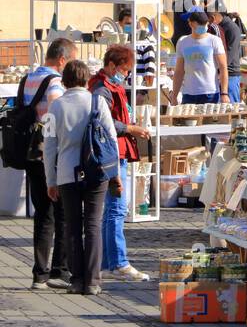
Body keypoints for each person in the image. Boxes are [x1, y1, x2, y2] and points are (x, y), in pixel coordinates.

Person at [43, 59, 121, 296]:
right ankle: (93, 281)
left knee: (72, 227)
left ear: (64, 81)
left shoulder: (54, 107)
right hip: (97, 171)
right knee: (94, 225)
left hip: (67, 173)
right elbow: (111, 139)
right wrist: (114, 173)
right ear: (86, 79)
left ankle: (77, 280)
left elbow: (48, 147)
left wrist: (51, 180)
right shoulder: (97, 101)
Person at [90, 46, 150, 283]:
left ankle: (107, 263)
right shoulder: (101, 88)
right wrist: (131, 128)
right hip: (111, 153)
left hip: (115, 152)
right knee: (116, 208)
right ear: (113, 65)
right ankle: (119, 263)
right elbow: (103, 122)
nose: (125, 75)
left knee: (112, 210)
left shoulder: (109, 86)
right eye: (124, 70)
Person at [20, 38, 75, 289]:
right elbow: (55, 116)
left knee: (42, 213)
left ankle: (39, 273)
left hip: (30, 153)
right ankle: (58, 271)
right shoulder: (54, 82)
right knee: (61, 212)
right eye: (70, 61)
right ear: (62, 60)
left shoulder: (28, 78)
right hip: (49, 154)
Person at [173, 11, 230, 106]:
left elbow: (223, 67)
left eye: (205, 25)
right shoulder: (182, 42)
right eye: (199, 25)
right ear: (190, 24)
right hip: (188, 94)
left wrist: (224, 93)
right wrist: (174, 96)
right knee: (188, 121)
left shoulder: (214, 41)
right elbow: (179, 71)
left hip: (210, 93)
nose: (203, 28)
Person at [208, 7, 244, 103]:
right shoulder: (215, 27)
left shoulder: (232, 28)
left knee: (231, 112)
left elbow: (229, 55)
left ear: (213, 17)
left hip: (230, 74)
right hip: (218, 73)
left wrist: (220, 71)